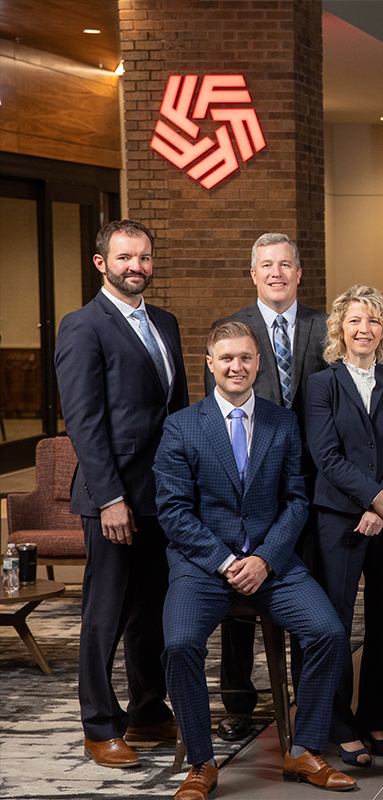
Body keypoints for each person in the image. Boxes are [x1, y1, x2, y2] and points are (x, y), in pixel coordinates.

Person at [155, 321, 354, 800]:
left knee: (328, 632)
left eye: (245, 357)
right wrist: (225, 562)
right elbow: (173, 511)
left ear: (258, 362)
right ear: (210, 363)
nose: (236, 367)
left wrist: (265, 558)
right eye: (226, 358)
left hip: (272, 564)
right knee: (180, 645)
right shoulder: (182, 425)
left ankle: (304, 748)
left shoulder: (282, 422)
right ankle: (203, 763)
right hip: (202, 566)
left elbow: (297, 500)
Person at [55, 219, 189, 768]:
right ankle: (99, 725)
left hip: (161, 494)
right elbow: (84, 423)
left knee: (151, 611)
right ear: (100, 263)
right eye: (125, 257)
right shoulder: (82, 326)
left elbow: (174, 412)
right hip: (113, 497)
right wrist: (110, 498)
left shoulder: (166, 322)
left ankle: (149, 710)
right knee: (105, 613)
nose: (137, 266)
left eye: (145, 257)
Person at [206, 232, 328, 742]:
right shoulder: (234, 331)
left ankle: (308, 697)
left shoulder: (326, 328)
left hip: (317, 486)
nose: (276, 273)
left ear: (299, 274)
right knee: (240, 594)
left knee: (306, 593)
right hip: (250, 488)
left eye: (285, 265)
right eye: (266, 266)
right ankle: (237, 702)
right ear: (253, 274)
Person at [306, 285, 383, 767]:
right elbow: (324, 455)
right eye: (354, 321)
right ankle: (337, 721)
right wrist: (371, 497)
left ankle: (373, 716)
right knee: (336, 623)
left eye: (373, 321)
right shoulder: (320, 384)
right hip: (338, 520)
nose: (364, 329)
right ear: (340, 328)